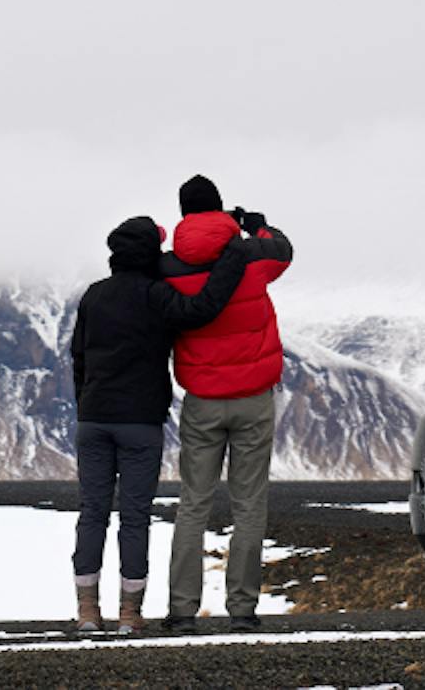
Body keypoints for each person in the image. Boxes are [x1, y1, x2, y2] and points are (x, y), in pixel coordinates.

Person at [69, 215, 249, 635]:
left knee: (92, 513)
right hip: (140, 423)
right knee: (134, 517)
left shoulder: (94, 297)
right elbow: (202, 308)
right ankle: (130, 615)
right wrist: (232, 259)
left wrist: (87, 403)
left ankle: (87, 612)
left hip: (94, 419)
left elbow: (78, 357)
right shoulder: (156, 295)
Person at [161, 174, 294, 634]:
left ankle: (181, 609)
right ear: (220, 209)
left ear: (182, 215)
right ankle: (242, 609)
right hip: (254, 400)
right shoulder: (251, 257)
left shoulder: (170, 268)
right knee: (248, 505)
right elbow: (283, 248)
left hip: (202, 403)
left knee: (193, 503)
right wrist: (256, 225)